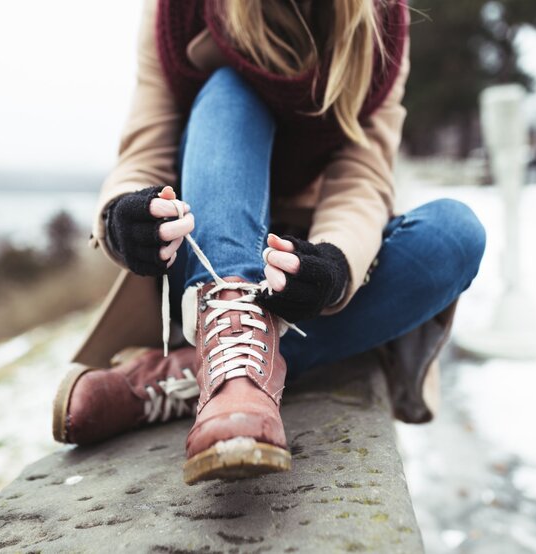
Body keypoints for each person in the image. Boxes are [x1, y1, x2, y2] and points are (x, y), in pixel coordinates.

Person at [52, 0, 486, 485]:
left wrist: (334, 264)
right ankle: (234, 369)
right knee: (228, 86)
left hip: (296, 259)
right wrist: (120, 218)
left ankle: (190, 373)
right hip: (200, 252)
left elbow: (362, 174)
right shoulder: (174, 12)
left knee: (455, 235)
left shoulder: (382, 17)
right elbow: (145, 150)